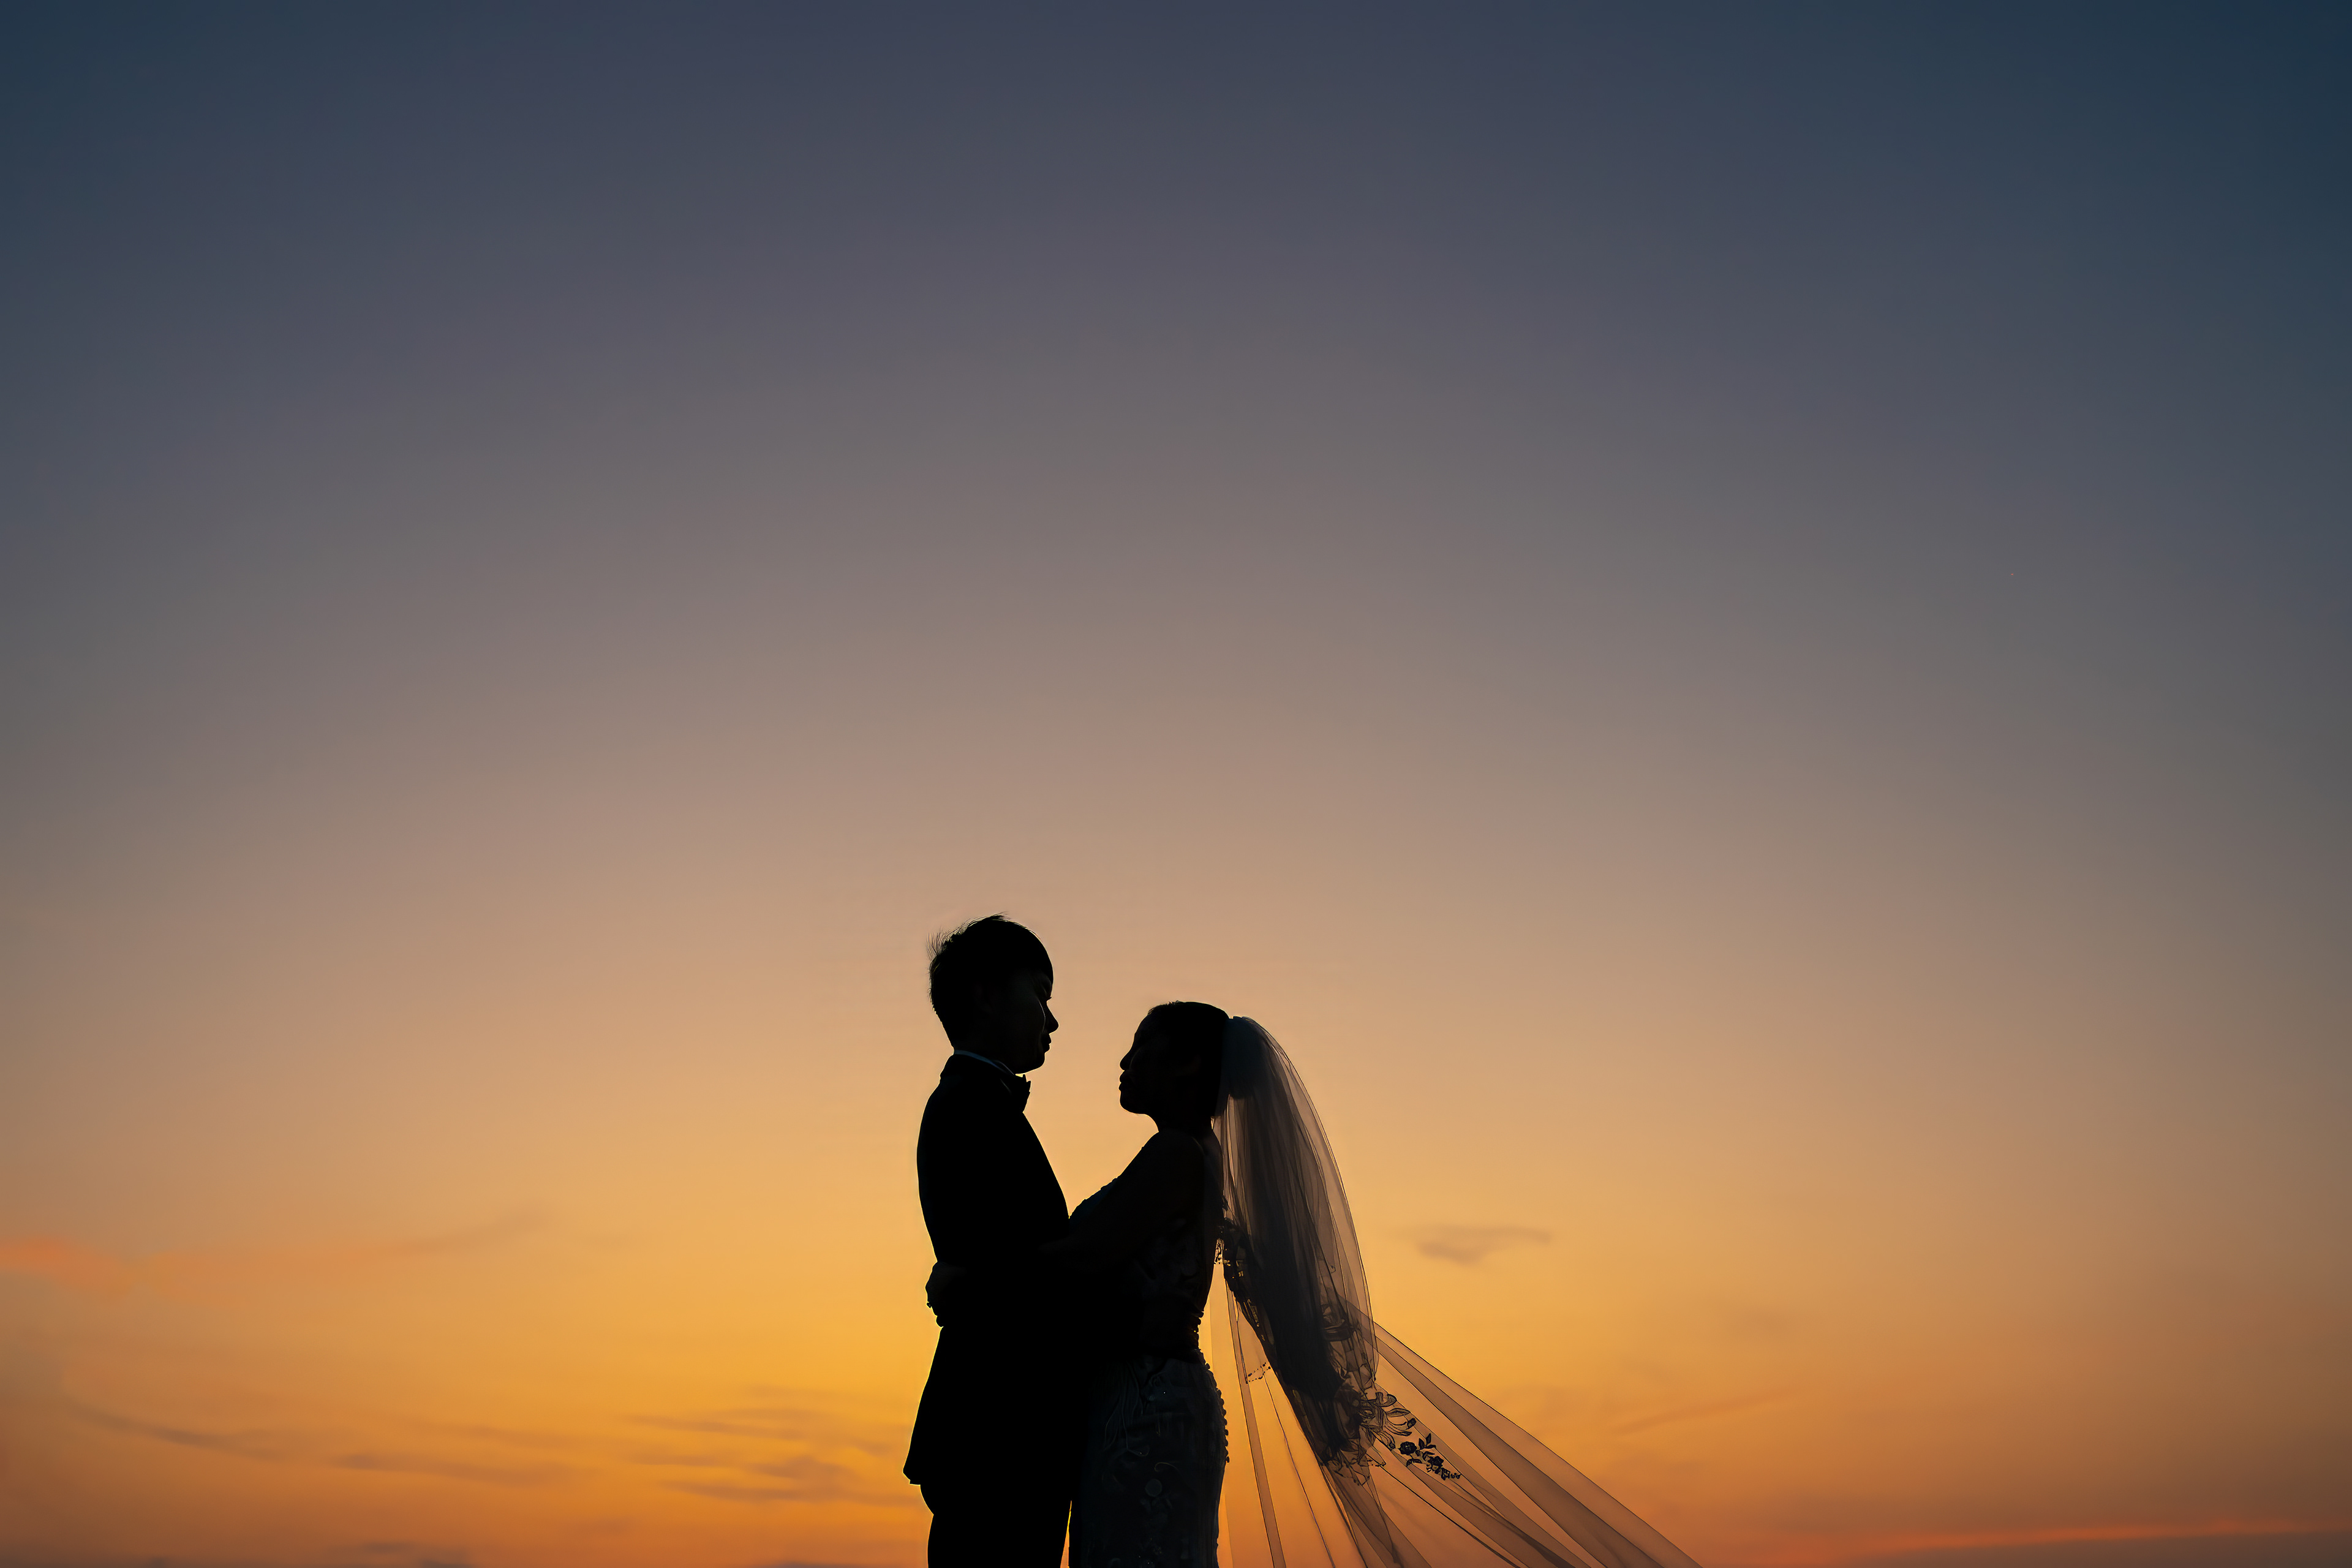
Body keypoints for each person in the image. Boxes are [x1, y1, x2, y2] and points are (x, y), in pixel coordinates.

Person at [903, 916, 1083, 1567]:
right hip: (999, 1425)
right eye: (1041, 994)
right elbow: (1025, 1266)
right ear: (985, 994)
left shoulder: (982, 1103)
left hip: (1006, 1424)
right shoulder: (969, 1106)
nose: (1052, 1021)